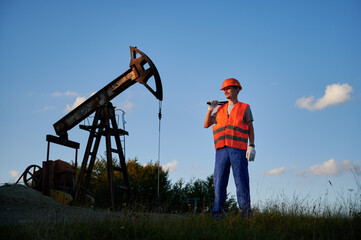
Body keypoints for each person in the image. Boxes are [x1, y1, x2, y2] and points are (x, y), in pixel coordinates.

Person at [204, 78, 255, 218]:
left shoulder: (244, 107)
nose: (226, 91)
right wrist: (210, 109)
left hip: (238, 149)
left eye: (229, 88)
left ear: (237, 89)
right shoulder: (220, 109)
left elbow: (250, 127)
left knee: (241, 180)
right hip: (221, 149)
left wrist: (251, 145)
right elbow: (206, 124)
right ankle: (217, 214)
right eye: (224, 89)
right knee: (219, 181)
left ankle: (246, 214)